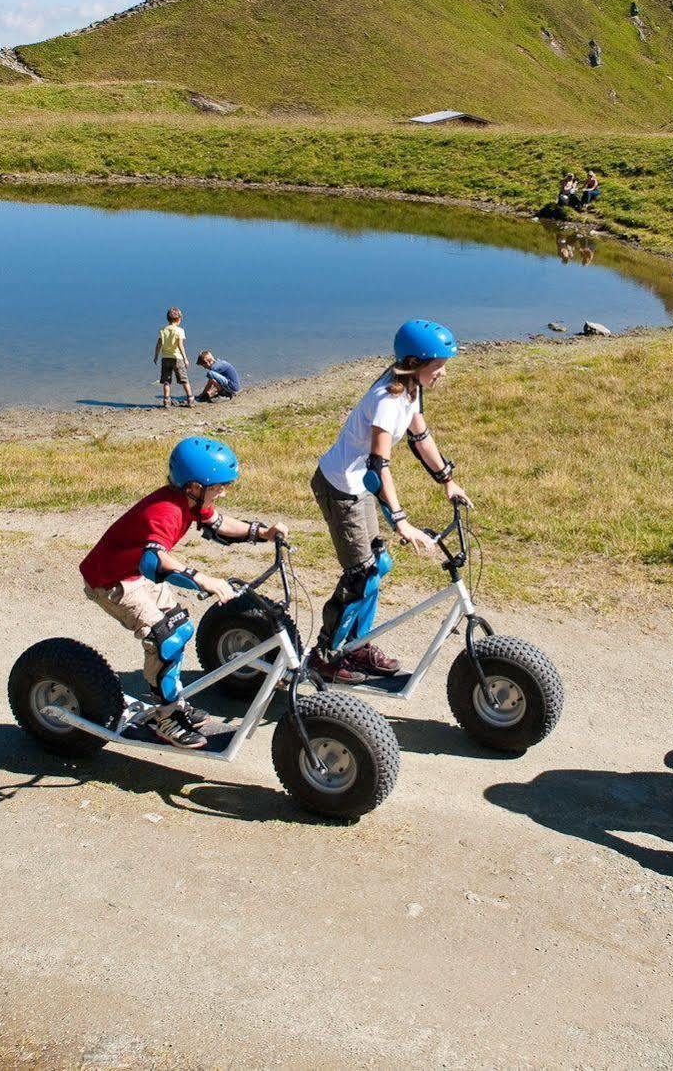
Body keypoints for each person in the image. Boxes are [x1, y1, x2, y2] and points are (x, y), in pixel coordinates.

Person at [78, 436, 288, 748]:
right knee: (164, 637)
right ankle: (164, 717)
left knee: (180, 626)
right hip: (111, 581)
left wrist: (263, 533)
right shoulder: (166, 511)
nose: (222, 492)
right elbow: (155, 560)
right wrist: (205, 580)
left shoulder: (188, 501)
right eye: (217, 487)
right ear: (193, 486)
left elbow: (219, 524)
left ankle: (174, 705)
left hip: (132, 572)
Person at [308, 319, 467, 683]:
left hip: (358, 484)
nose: (442, 373)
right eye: (438, 365)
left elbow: (421, 437)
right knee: (360, 574)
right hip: (340, 487)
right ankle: (325, 656)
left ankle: (357, 645)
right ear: (414, 362)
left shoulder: (411, 391)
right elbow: (378, 466)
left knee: (378, 565)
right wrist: (401, 520)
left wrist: (448, 481)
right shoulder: (387, 400)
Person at [154, 306, 191, 409]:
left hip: (165, 358)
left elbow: (159, 344)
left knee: (166, 381)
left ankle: (166, 401)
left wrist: (156, 356)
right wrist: (185, 358)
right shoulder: (179, 330)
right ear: (178, 319)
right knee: (184, 379)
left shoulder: (163, 330)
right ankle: (190, 399)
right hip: (177, 358)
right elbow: (180, 345)